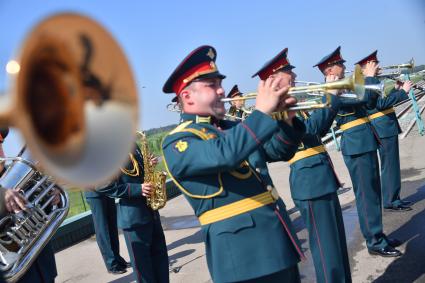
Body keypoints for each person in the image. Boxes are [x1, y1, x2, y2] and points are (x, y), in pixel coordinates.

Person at [162, 45, 306, 283]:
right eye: (212, 85)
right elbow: (226, 155)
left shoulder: (232, 128)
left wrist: (286, 121)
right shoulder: (178, 141)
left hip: (277, 240)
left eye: (220, 83)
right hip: (243, 256)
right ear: (187, 96)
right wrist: (261, 112)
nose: (221, 90)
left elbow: (276, 151)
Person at [255, 47, 351, 282]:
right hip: (310, 183)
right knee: (327, 252)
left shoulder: (293, 104)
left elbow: (320, 130)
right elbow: (311, 130)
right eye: (289, 73)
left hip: (320, 179)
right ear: (275, 79)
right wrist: (332, 95)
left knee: (337, 247)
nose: (295, 77)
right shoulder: (276, 111)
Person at [314, 47, 402, 257]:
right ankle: (374, 241)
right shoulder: (332, 91)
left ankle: (378, 235)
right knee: (366, 196)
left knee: (373, 192)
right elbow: (364, 100)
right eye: (340, 64)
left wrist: (369, 80)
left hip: (364, 142)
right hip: (356, 146)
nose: (345, 66)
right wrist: (369, 77)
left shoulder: (345, 86)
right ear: (329, 70)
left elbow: (370, 100)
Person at [96, 143, 169, 283]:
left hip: (151, 211)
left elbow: (137, 174)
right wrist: (137, 189)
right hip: (134, 218)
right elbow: (102, 185)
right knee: (144, 271)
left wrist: (148, 165)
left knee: (160, 260)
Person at [356, 51, 413, 211]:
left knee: (391, 165)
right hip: (382, 127)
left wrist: (395, 90)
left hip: (385, 125)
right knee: (389, 166)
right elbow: (379, 105)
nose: (379, 66)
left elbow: (381, 102)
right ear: (368, 66)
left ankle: (394, 198)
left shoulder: (372, 82)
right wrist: (403, 93)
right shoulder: (368, 83)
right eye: (375, 64)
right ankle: (391, 200)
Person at [0, 128, 59, 283]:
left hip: (43, 264)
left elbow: (40, 211)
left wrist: (51, 197)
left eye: (0, 144)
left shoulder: (20, 175)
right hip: (15, 270)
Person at [84, 190, 130, 274]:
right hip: (94, 192)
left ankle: (118, 260)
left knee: (112, 227)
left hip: (107, 190)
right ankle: (111, 265)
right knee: (103, 230)